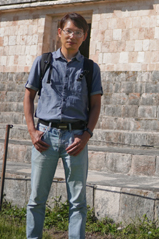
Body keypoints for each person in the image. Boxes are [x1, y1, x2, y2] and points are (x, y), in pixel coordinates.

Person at [23, 12, 102, 239]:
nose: (72, 36)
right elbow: (28, 96)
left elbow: (96, 105)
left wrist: (86, 135)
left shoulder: (90, 68)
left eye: (78, 32)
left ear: (84, 36)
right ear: (59, 32)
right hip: (45, 136)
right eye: (68, 31)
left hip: (75, 138)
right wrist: (32, 131)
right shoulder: (43, 62)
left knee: (77, 201)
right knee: (36, 198)